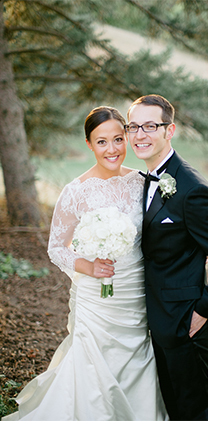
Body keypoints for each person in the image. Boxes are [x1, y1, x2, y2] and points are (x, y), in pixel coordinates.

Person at [3, 107, 168, 420]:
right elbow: (56, 247)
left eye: (118, 139)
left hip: (136, 292)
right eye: (102, 142)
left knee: (138, 357)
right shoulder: (75, 192)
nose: (112, 149)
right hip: (97, 298)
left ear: (127, 138)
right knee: (93, 362)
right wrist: (88, 267)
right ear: (89, 145)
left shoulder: (143, 183)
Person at [127, 94, 208, 421]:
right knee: (172, 409)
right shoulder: (141, 181)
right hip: (154, 318)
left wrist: (204, 311)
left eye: (150, 126)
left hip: (183, 322)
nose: (140, 134)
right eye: (134, 126)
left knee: (194, 412)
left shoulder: (192, 188)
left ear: (170, 130)